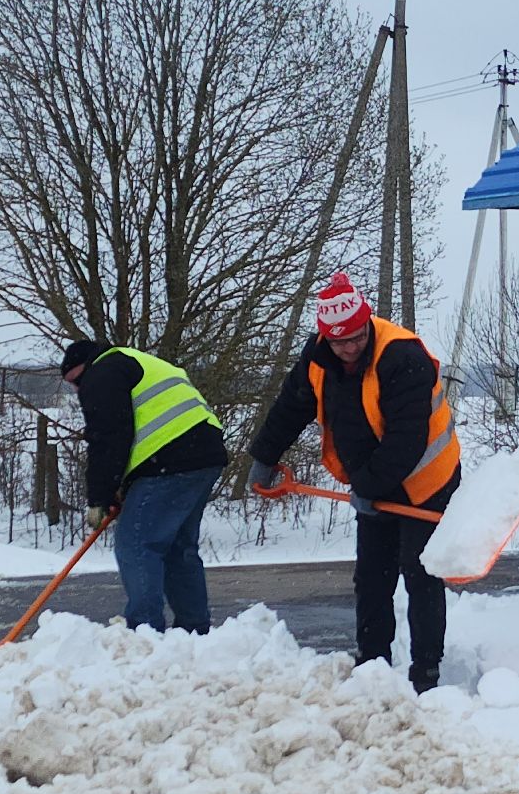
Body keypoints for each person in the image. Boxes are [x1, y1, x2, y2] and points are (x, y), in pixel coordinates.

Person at [246, 271, 461, 694]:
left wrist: (369, 488)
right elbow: (291, 407)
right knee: (372, 575)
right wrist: (264, 458)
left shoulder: (402, 355)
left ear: (366, 323)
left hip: (426, 479)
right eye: (340, 342)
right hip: (372, 479)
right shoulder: (319, 358)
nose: (350, 348)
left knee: (420, 574)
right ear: (326, 337)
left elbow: (406, 440)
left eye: (357, 338)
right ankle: (372, 663)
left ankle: (426, 674)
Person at [60, 339, 229, 634]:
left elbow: (108, 438)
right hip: (204, 456)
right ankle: (194, 629)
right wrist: (120, 486)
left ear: (84, 367)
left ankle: (145, 632)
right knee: (179, 547)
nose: (77, 391)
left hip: (170, 460)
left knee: (137, 543)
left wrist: (99, 497)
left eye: (75, 381)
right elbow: (137, 427)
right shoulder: (133, 361)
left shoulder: (101, 374)